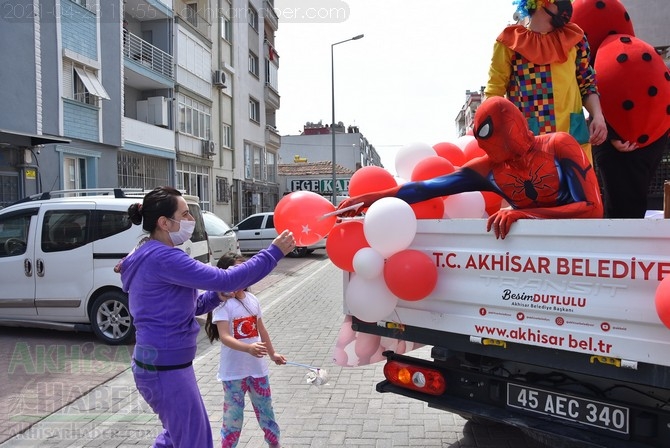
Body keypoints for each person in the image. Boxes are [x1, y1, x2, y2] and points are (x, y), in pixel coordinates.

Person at [117, 186, 296, 448]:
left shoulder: (149, 254)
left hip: (163, 366)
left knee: (176, 436)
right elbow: (228, 277)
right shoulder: (164, 257)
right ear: (164, 222)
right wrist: (273, 253)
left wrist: (215, 297)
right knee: (194, 441)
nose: (190, 221)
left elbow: (188, 307)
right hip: (166, 369)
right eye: (185, 214)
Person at [337, 96, 603, 239]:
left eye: (495, 145)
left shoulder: (560, 146)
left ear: (513, 133)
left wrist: (525, 214)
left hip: (577, 250)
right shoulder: (489, 167)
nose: (490, 153)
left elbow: (593, 209)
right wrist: (367, 200)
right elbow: (424, 189)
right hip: (528, 255)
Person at [484, 0, 607, 162]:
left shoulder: (575, 39)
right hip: (529, 146)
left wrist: (598, 116)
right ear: (540, 2)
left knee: (579, 186)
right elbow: (494, 93)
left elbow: (587, 83)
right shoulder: (510, 43)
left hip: (572, 141)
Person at [205, 252, 286, 448]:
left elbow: (262, 329)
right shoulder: (222, 304)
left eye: (245, 272)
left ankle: (275, 444)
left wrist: (273, 353)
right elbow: (224, 337)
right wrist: (249, 348)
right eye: (236, 272)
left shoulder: (252, 299)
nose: (242, 276)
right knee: (233, 417)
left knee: (266, 412)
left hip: (258, 370)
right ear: (226, 275)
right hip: (233, 374)